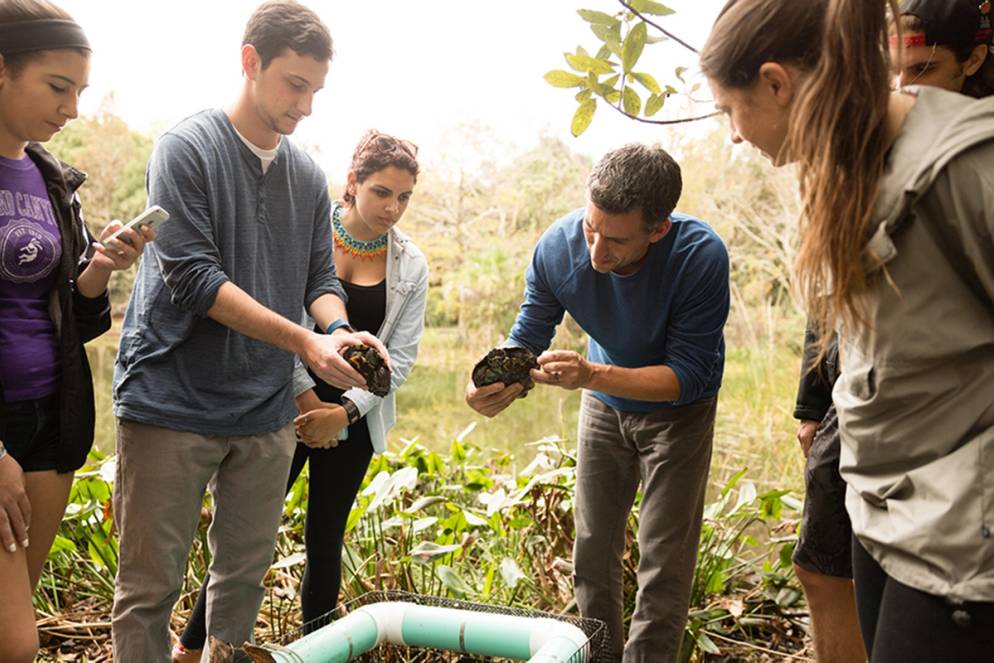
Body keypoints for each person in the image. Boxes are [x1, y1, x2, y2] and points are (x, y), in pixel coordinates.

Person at [702, 1, 994, 661]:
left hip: (960, 551)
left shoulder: (966, 169)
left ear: (777, 84)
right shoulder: (846, 172)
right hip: (881, 519)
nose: (735, 135)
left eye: (729, 109)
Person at [110, 2, 389, 660]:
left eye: (317, 91)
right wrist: (304, 343)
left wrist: (342, 328)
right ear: (249, 61)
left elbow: (319, 277)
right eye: (295, 85)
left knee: (240, 581)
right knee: (148, 589)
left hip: (261, 409)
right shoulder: (186, 149)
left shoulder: (304, 174)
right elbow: (195, 281)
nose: (307, 106)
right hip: (170, 400)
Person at [466, 143, 730, 663]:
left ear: (659, 229)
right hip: (604, 408)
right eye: (591, 228)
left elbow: (690, 375)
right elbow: (528, 338)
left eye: (615, 239)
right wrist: (495, 387)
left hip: (679, 414)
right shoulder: (558, 248)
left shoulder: (699, 255)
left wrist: (590, 374)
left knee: (664, 563)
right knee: (591, 551)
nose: (596, 253)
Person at [171, 130, 427, 663]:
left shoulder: (411, 265)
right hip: (281, 407)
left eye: (403, 197)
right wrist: (306, 401)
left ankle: (317, 653)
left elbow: (398, 359)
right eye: (382, 192)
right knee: (247, 536)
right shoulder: (308, 237)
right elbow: (280, 319)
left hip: (353, 417)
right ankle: (190, 649)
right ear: (352, 183)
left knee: (326, 538)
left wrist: (344, 413)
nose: (393, 208)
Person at [0, 2, 155, 661]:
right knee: (15, 642)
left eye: (80, 92)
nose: (71, 109)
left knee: (11, 614)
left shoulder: (52, 181)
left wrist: (98, 269)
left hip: (51, 419)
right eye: (57, 87)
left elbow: (74, 314)